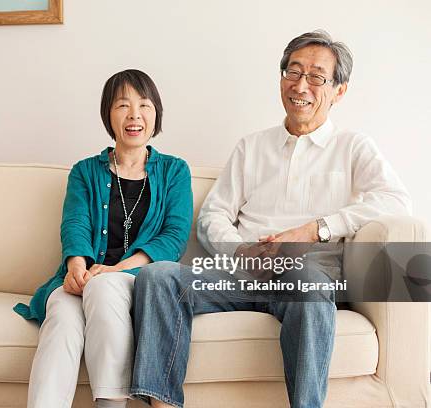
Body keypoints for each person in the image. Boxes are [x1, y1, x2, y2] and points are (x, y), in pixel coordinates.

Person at [130, 30, 412, 408]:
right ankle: (162, 404)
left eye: (316, 76)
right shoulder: (251, 146)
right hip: (240, 273)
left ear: (339, 90)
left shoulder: (353, 147)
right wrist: (240, 252)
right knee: (158, 276)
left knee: (308, 279)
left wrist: (316, 230)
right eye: (293, 72)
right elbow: (213, 214)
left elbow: (396, 202)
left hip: (307, 274)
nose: (301, 85)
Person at [13, 69, 193, 408]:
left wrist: (114, 270)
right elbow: (75, 225)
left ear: (156, 114)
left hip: (137, 280)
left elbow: (174, 237)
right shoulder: (85, 170)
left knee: (102, 286)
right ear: (108, 115)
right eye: (122, 105)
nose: (134, 115)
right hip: (86, 278)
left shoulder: (175, 171)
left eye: (144, 105)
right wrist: (76, 268)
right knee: (62, 317)